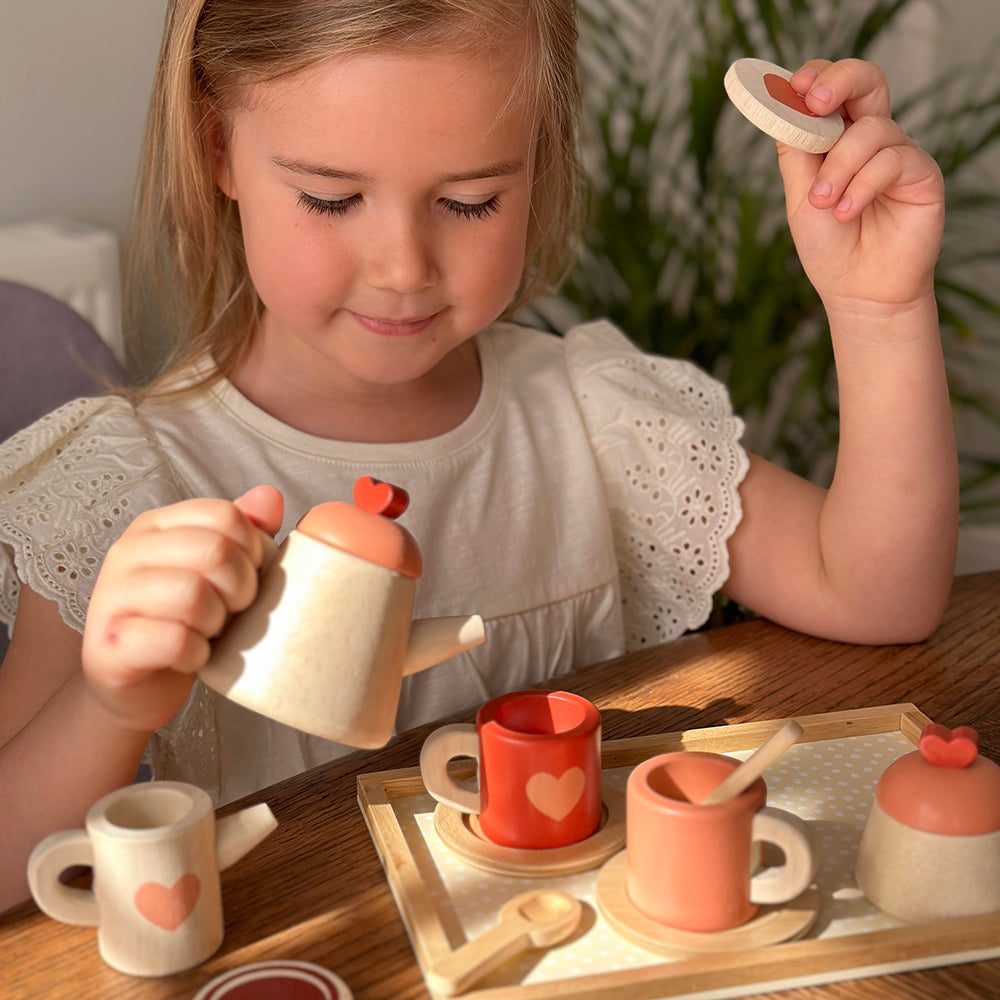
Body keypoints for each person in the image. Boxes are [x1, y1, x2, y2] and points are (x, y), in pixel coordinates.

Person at [0, 0, 957, 912]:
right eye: (331, 199)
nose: (404, 266)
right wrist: (106, 699)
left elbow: (878, 593)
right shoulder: (122, 487)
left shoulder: (597, 419)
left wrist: (879, 309)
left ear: (537, 165)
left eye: (469, 203)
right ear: (218, 150)